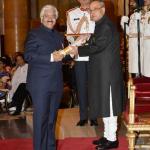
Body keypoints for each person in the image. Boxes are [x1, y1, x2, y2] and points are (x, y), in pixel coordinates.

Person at [67, 1, 125, 149]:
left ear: (103, 10)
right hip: (102, 72)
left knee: (110, 106)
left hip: (108, 74)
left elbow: (98, 46)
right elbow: (96, 42)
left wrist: (78, 50)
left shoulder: (105, 26)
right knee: (105, 105)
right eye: (90, 10)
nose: (91, 12)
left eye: (95, 10)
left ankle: (112, 139)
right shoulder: (100, 25)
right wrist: (88, 37)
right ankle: (107, 135)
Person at [24, 5, 64, 150]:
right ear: (42, 18)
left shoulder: (60, 36)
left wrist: (70, 53)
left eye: (53, 15)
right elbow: (28, 55)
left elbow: (61, 58)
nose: (50, 18)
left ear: (56, 19)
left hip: (56, 83)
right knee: (41, 120)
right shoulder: (34, 34)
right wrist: (51, 57)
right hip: (40, 84)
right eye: (47, 15)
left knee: (51, 121)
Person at [66, 0, 98, 126]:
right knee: (81, 86)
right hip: (79, 54)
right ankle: (83, 116)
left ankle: (94, 115)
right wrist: (78, 40)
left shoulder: (96, 10)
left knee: (94, 86)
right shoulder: (71, 13)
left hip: (93, 54)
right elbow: (69, 35)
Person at [121, 0, 150, 77]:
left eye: (133, 2)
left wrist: (140, 22)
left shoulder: (145, 14)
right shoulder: (134, 15)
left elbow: (143, 31)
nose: (131, 4)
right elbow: (130, 33)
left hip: (146, 44)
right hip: (136, 44)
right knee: (136, 67)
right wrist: (123, 25)